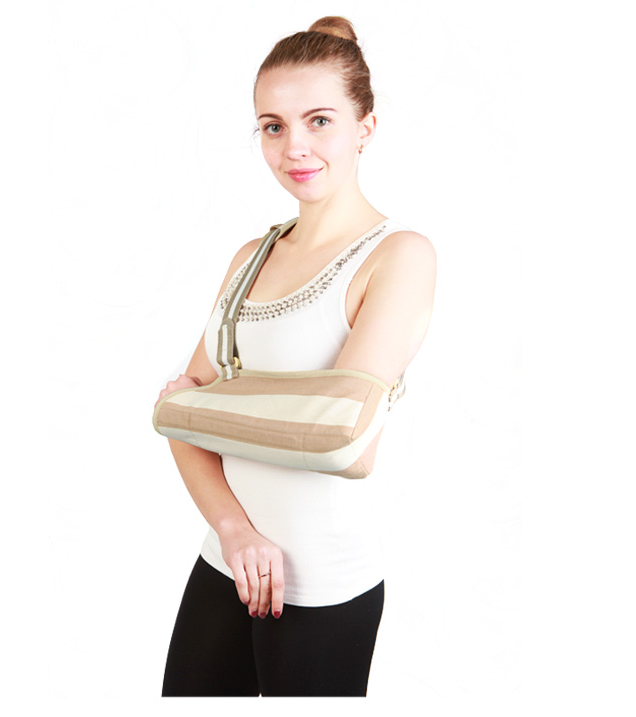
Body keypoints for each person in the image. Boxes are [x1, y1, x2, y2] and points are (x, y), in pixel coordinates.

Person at [156, 16, 436, 697]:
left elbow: (346, 440)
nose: (294, 147)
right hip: (228, 557)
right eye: (273, 126)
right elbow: (177, 427)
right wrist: (234, 529)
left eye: (319, 121)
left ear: (365, 128)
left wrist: (200, 406)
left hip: (325, 583)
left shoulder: (399, 256)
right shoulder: (250, 259)